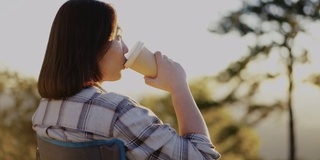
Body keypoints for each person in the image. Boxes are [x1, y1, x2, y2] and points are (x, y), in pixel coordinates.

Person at [32, 0, 221, 159]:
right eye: (118, 37)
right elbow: (203, 156)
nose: (126, 49)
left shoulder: (44, 110)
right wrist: (179, 86)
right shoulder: (117, 112)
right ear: (91, 46)